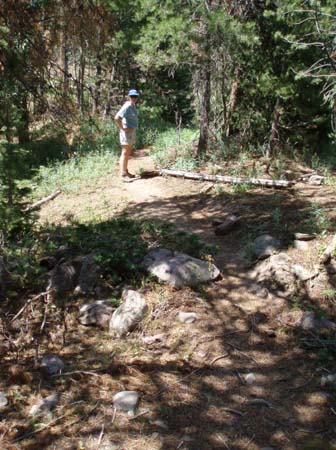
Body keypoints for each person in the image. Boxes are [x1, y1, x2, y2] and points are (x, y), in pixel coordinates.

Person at [114, 89, 139, 181]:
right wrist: (122, 128)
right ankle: (123, 174)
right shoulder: (127, 106)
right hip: (126, 133)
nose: (134, 98)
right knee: (124, 152)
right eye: (132, 96)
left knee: (128, 152)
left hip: (131, 132)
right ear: (129, 97)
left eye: (135, 96)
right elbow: (117, 118)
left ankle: (125, 171)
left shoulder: (133, 105)